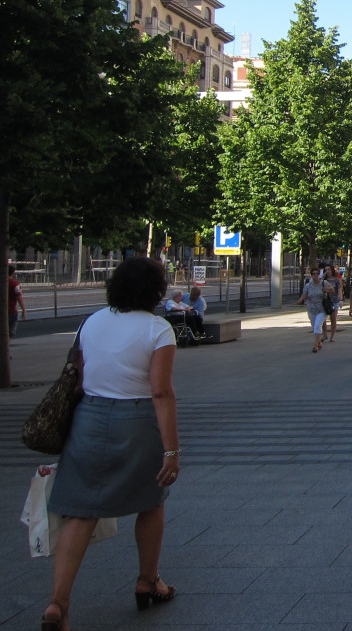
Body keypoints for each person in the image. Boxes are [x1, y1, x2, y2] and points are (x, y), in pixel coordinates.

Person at [41, 256, 180, 630]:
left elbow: (81, 374)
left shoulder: (91, 322)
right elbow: (161, 393)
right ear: (155, 290)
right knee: (151, 502)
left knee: (81, 511)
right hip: (135, 422)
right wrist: (171, 450)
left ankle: (58, 603)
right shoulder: (158, 330)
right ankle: (148, 580)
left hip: (89, 418)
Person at [297, 267, 332, 353]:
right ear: (311, 275)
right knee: (314, 326)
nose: (315, 275)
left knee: (317, 326)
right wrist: (300, 300)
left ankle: (316, 345)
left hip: (321, 309)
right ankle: (319, 342)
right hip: (311, 309)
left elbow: (333, 290)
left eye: (317, 273)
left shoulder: (324, 283)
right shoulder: (308, 285)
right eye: (314, 274)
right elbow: (304, 294)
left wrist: (326, 290)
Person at [323, 263, 343, 341]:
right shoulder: (324, 280)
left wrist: (340, 300)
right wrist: (323, 276)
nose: (327, 271)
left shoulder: (336, 280)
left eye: (329, 269)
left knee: (333, 319)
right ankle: (325, 334)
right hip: (325, 301)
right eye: (326, 270)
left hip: (334, 301)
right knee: (323, 319)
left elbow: (339, 290)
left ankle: (332, 336)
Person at [8, 263, 27, 338]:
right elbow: (19, 297)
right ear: (13, 273)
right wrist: (23, 310)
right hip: (12, 311)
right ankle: (5, 348)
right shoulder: (15, 284)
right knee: (10, 333)